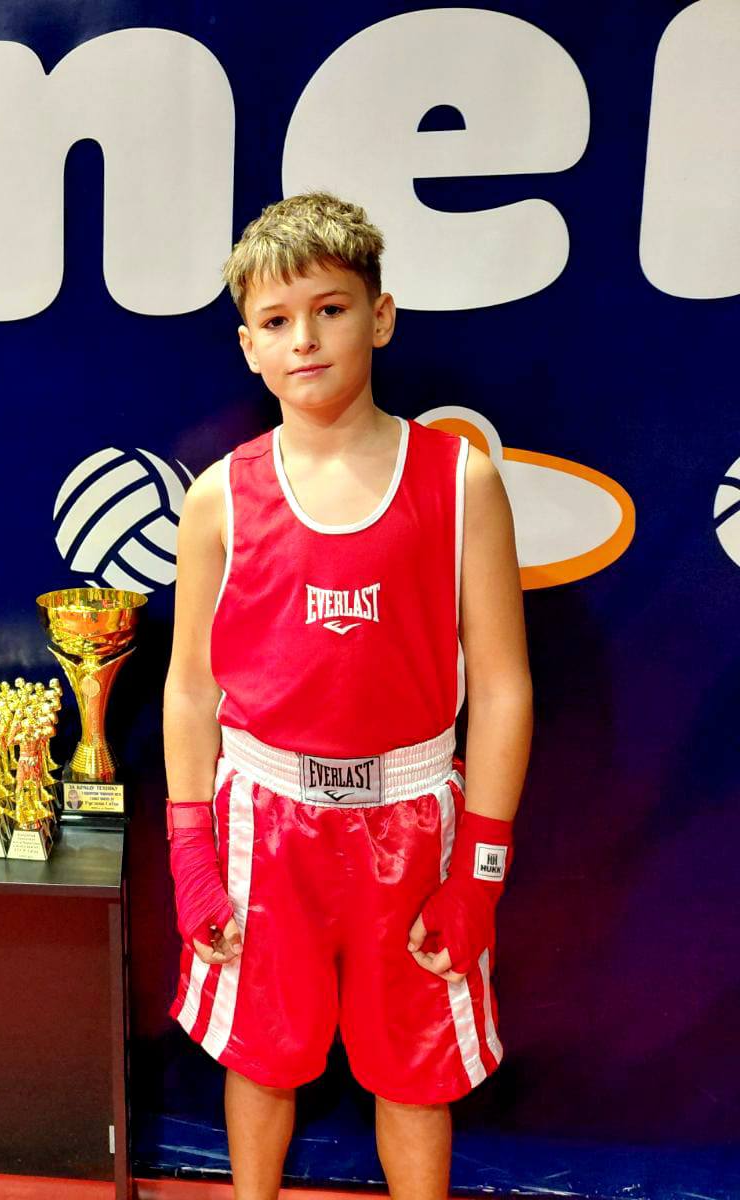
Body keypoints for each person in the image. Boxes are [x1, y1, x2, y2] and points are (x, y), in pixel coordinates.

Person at [163, 194, 533, 1199]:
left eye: (329, 309)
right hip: (264, 821)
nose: (305, 338)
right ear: (248, 346)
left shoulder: (459, 481)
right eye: (276, 320)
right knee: (259, 1057)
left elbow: (502, 687)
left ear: (380, 316)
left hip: (412, 820)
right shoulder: (218, 497)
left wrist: (480, 875)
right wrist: (190, 851)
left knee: (415, 1071)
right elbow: (190, 689)